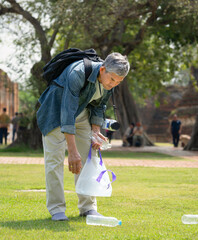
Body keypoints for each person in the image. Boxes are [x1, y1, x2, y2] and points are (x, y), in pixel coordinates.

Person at [37, 52, 130, 221]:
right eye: (112, 80)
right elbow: (67, 112)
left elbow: (99, 106)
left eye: (118, 82)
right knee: (54, 162)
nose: (113, 84)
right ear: (102, 69)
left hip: (80, 113)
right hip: (55, 112)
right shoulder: (78, 73)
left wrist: (95, 133)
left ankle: (88, 208)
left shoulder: (110, 80)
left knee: (89, 157)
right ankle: (57, 209)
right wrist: (72, 152)